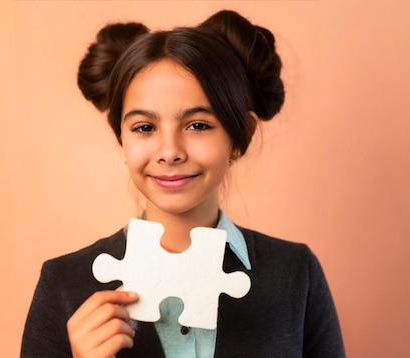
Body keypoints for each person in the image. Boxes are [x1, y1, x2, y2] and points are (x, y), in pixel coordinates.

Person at [21, 9, 344, 358]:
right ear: (122, 140)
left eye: (198, 125)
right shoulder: (64, 284)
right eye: (144, 127)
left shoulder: (296, 275)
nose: (170, 151)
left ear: (240, 136)